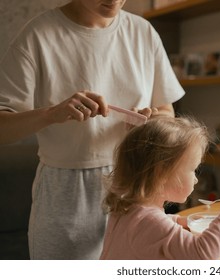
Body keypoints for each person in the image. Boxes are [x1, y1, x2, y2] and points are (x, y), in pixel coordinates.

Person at [0, 0, 184, 259]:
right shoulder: (38, 35)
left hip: (135, 184)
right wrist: (52, 114)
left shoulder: (144, 33)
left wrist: (152, 121)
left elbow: (166, 112)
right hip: (66, 195)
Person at [99, 116, 220, 260]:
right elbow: (203, 254)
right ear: (162, 173)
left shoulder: (128, 208)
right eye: (193, 169)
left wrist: (178, 220)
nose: (196, 179)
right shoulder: (150, 221)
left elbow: (151, 228)